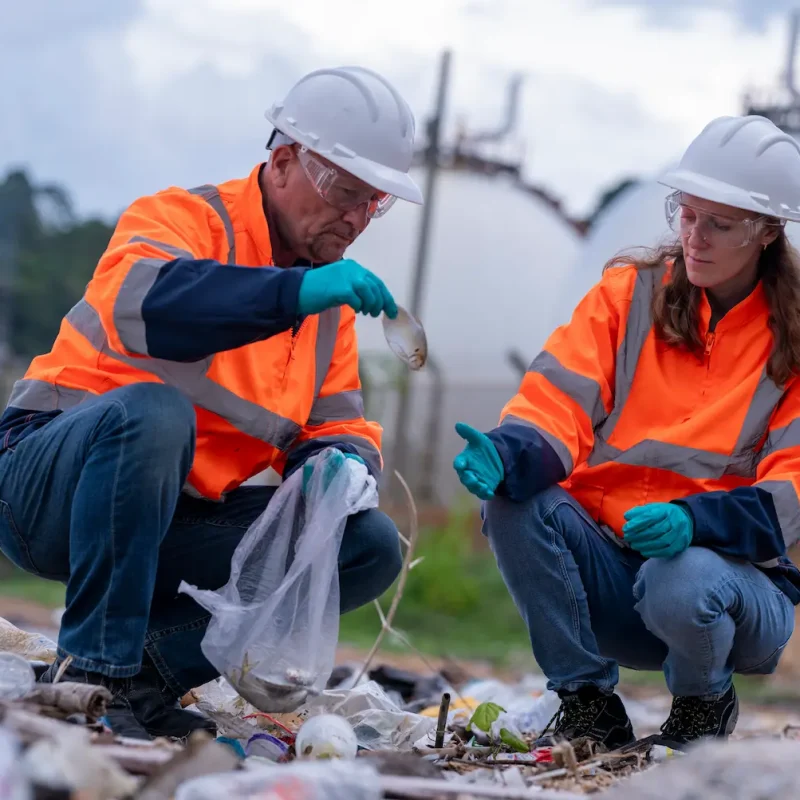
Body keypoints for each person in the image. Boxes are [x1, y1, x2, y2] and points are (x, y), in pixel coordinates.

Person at [0, 65, 423, 740]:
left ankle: (140, 680)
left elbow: (338, 421)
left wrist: (338, 464)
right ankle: (92, 670)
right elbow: (149, 305)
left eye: (374, 203)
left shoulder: (329, 310)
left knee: (364, 544)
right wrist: (290, 295)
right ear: (284, 161)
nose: (357, 217)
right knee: (153, 413)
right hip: (42, 490)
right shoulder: (181, 219)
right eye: (347, 193)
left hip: (170, 521)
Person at [452, 114, 800, 751]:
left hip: (729, 594)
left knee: (683, 575)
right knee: (512, 497)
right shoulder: (628, 298)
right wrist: (507, 453)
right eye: (686, 213)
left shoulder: (793, 344)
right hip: (612, 575)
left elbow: (792, 495)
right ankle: (585, 702)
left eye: (718, 224)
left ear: (767, 232)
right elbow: (559, 401)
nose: (693, 236)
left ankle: (703, 705)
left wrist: (698, 522)